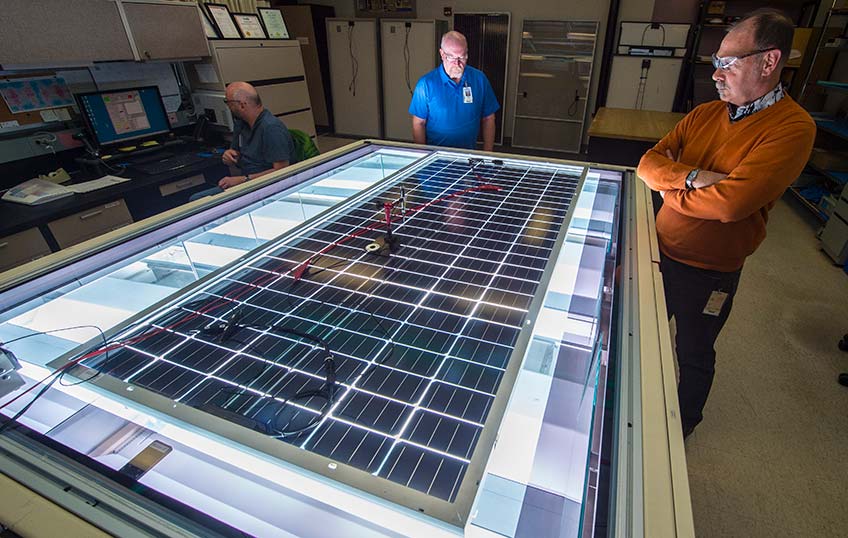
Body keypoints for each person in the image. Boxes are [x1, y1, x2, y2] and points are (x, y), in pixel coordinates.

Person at [636, 9, 816, 438]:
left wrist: (670, 191)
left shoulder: (792, 129)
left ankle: (681, 429)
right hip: (656, 251)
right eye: (715, 62)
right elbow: (647, 164)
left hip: (709, 271)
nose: (716, 74)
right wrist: (693, 178)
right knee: (639, 337)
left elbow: (730, 206)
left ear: (769, 62)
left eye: (728, 62)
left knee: (694, 352)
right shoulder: (704, 114)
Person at [193, 81, 295, 199]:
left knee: (197, 200)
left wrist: (243, 180)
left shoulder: (271, 128)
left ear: (242, 105)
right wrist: (229, 155)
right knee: (198, 199)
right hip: (248, 182)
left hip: (268, 186)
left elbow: (282, 171)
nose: (228, 107)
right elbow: (235, 153)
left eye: (228, 102)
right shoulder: (241, 124)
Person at [408, 31, 500, 151]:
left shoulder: (479, 79)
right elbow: (418, 123)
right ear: (442, 54)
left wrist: (488, 153)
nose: (457, 63)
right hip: (436, 156)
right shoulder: (426, 84)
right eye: (451, 57)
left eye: (462, 57)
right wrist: (423, 154)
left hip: (469, 154)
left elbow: (489, 118)